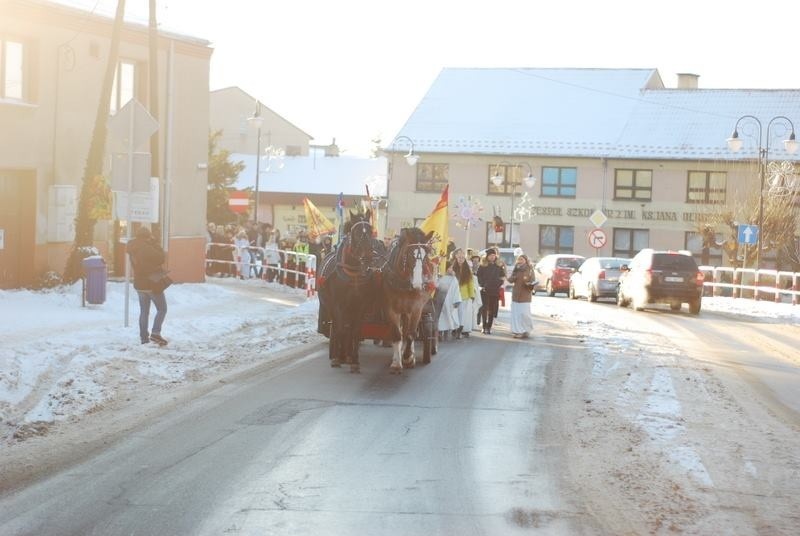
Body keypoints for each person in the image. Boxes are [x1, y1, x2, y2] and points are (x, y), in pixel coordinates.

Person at [127, 226, 169, 346]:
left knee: (144, 311)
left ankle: (143, 337)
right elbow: (161, 258)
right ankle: (155, 333)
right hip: (151, 283)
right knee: (162, 309)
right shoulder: (146, 247)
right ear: (147, 236)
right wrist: (155, 243)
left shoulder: (132, 247)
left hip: (139, 283)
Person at [476, 248, 506, 335]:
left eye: (494, 255)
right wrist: (482, 285)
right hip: (485, 289)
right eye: (491, 255)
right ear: (487, 256)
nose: (492, 257)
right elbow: (478, 276)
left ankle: (489, 327)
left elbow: (502, 276)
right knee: (484, 309)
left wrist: (499, 283)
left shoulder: (498, 266)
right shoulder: (482, 266)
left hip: (495, 290)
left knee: (492, 310)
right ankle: (484, 326)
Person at [451, 248, 477, 338]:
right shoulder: (452, 268)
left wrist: (472, 295)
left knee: (461, 313)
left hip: (464, 296)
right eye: (459, 257)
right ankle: (454, 328)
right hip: (454, 295)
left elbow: (470, 283)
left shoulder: (467, 270)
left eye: (463, 258)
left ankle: (459, 330)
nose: (461, 259)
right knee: (454, 312)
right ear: (456, 258)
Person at [507, 253, 535, 338]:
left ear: (526, 261)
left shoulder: (529, 269)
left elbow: (533, 280)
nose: (520, 261)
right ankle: (517, 331)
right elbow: (510, 280)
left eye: (522, 259)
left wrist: (530, 284)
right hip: (516, 295)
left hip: (525, 295)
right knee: (516, 314)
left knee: (525, 314)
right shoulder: (516, 269)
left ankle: (526, 330)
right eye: (519, 259)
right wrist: (513, 277)